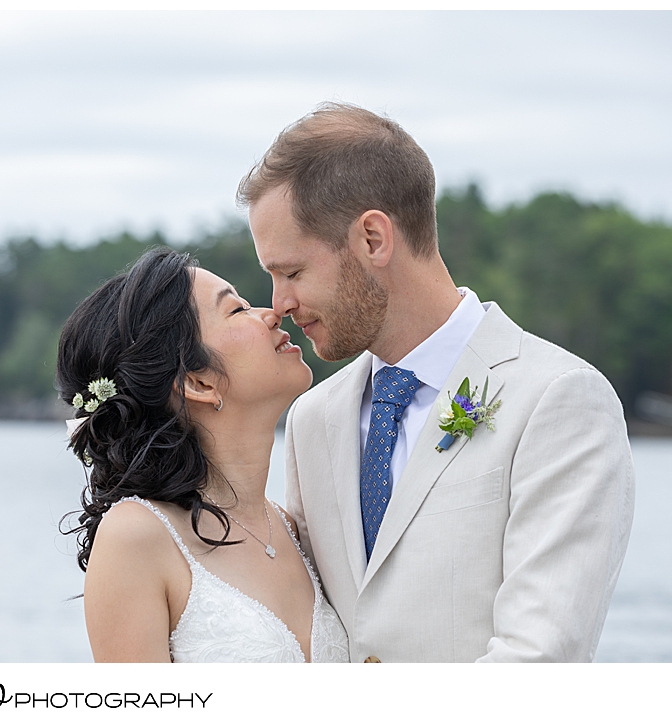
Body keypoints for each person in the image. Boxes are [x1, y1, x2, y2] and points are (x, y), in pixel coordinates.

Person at [238, 102, 635, 662]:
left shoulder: (559, 398)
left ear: (373, 239)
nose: (280, 303)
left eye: (292, 272)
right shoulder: (313, 417)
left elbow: (541, 659)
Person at [56, 246, 349, 662]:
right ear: (198, 382)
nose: (271, 314)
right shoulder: (137, 536)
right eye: (236, 310)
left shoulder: (291, 527)